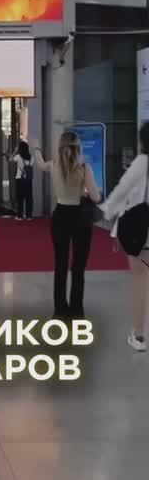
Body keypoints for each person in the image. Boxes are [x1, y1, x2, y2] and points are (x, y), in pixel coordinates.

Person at [34, 131, 100, 318]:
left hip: (60, 216)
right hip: (80, 217)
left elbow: (40, 164)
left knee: (60, 264)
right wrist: (85, 193)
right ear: (78, 147)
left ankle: (60, 310)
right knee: (78, 267)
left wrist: (36, 147)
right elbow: (95, 197)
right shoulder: (84, 167)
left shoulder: (54, 165)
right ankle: (76, 310)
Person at [101, 122, 149, 351]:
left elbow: (122, 190)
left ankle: (138, 336)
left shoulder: (141, 162)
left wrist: (107, 210)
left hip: (141, 228)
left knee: (139, 279)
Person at [11, 139, 34, 221]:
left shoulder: (18, 157)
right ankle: (29, 216)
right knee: (29, 197)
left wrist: (15, 151)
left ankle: (20, 216)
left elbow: (10, 159)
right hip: (28, 179)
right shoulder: (32, 157)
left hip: (19, 179)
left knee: (20, 198)